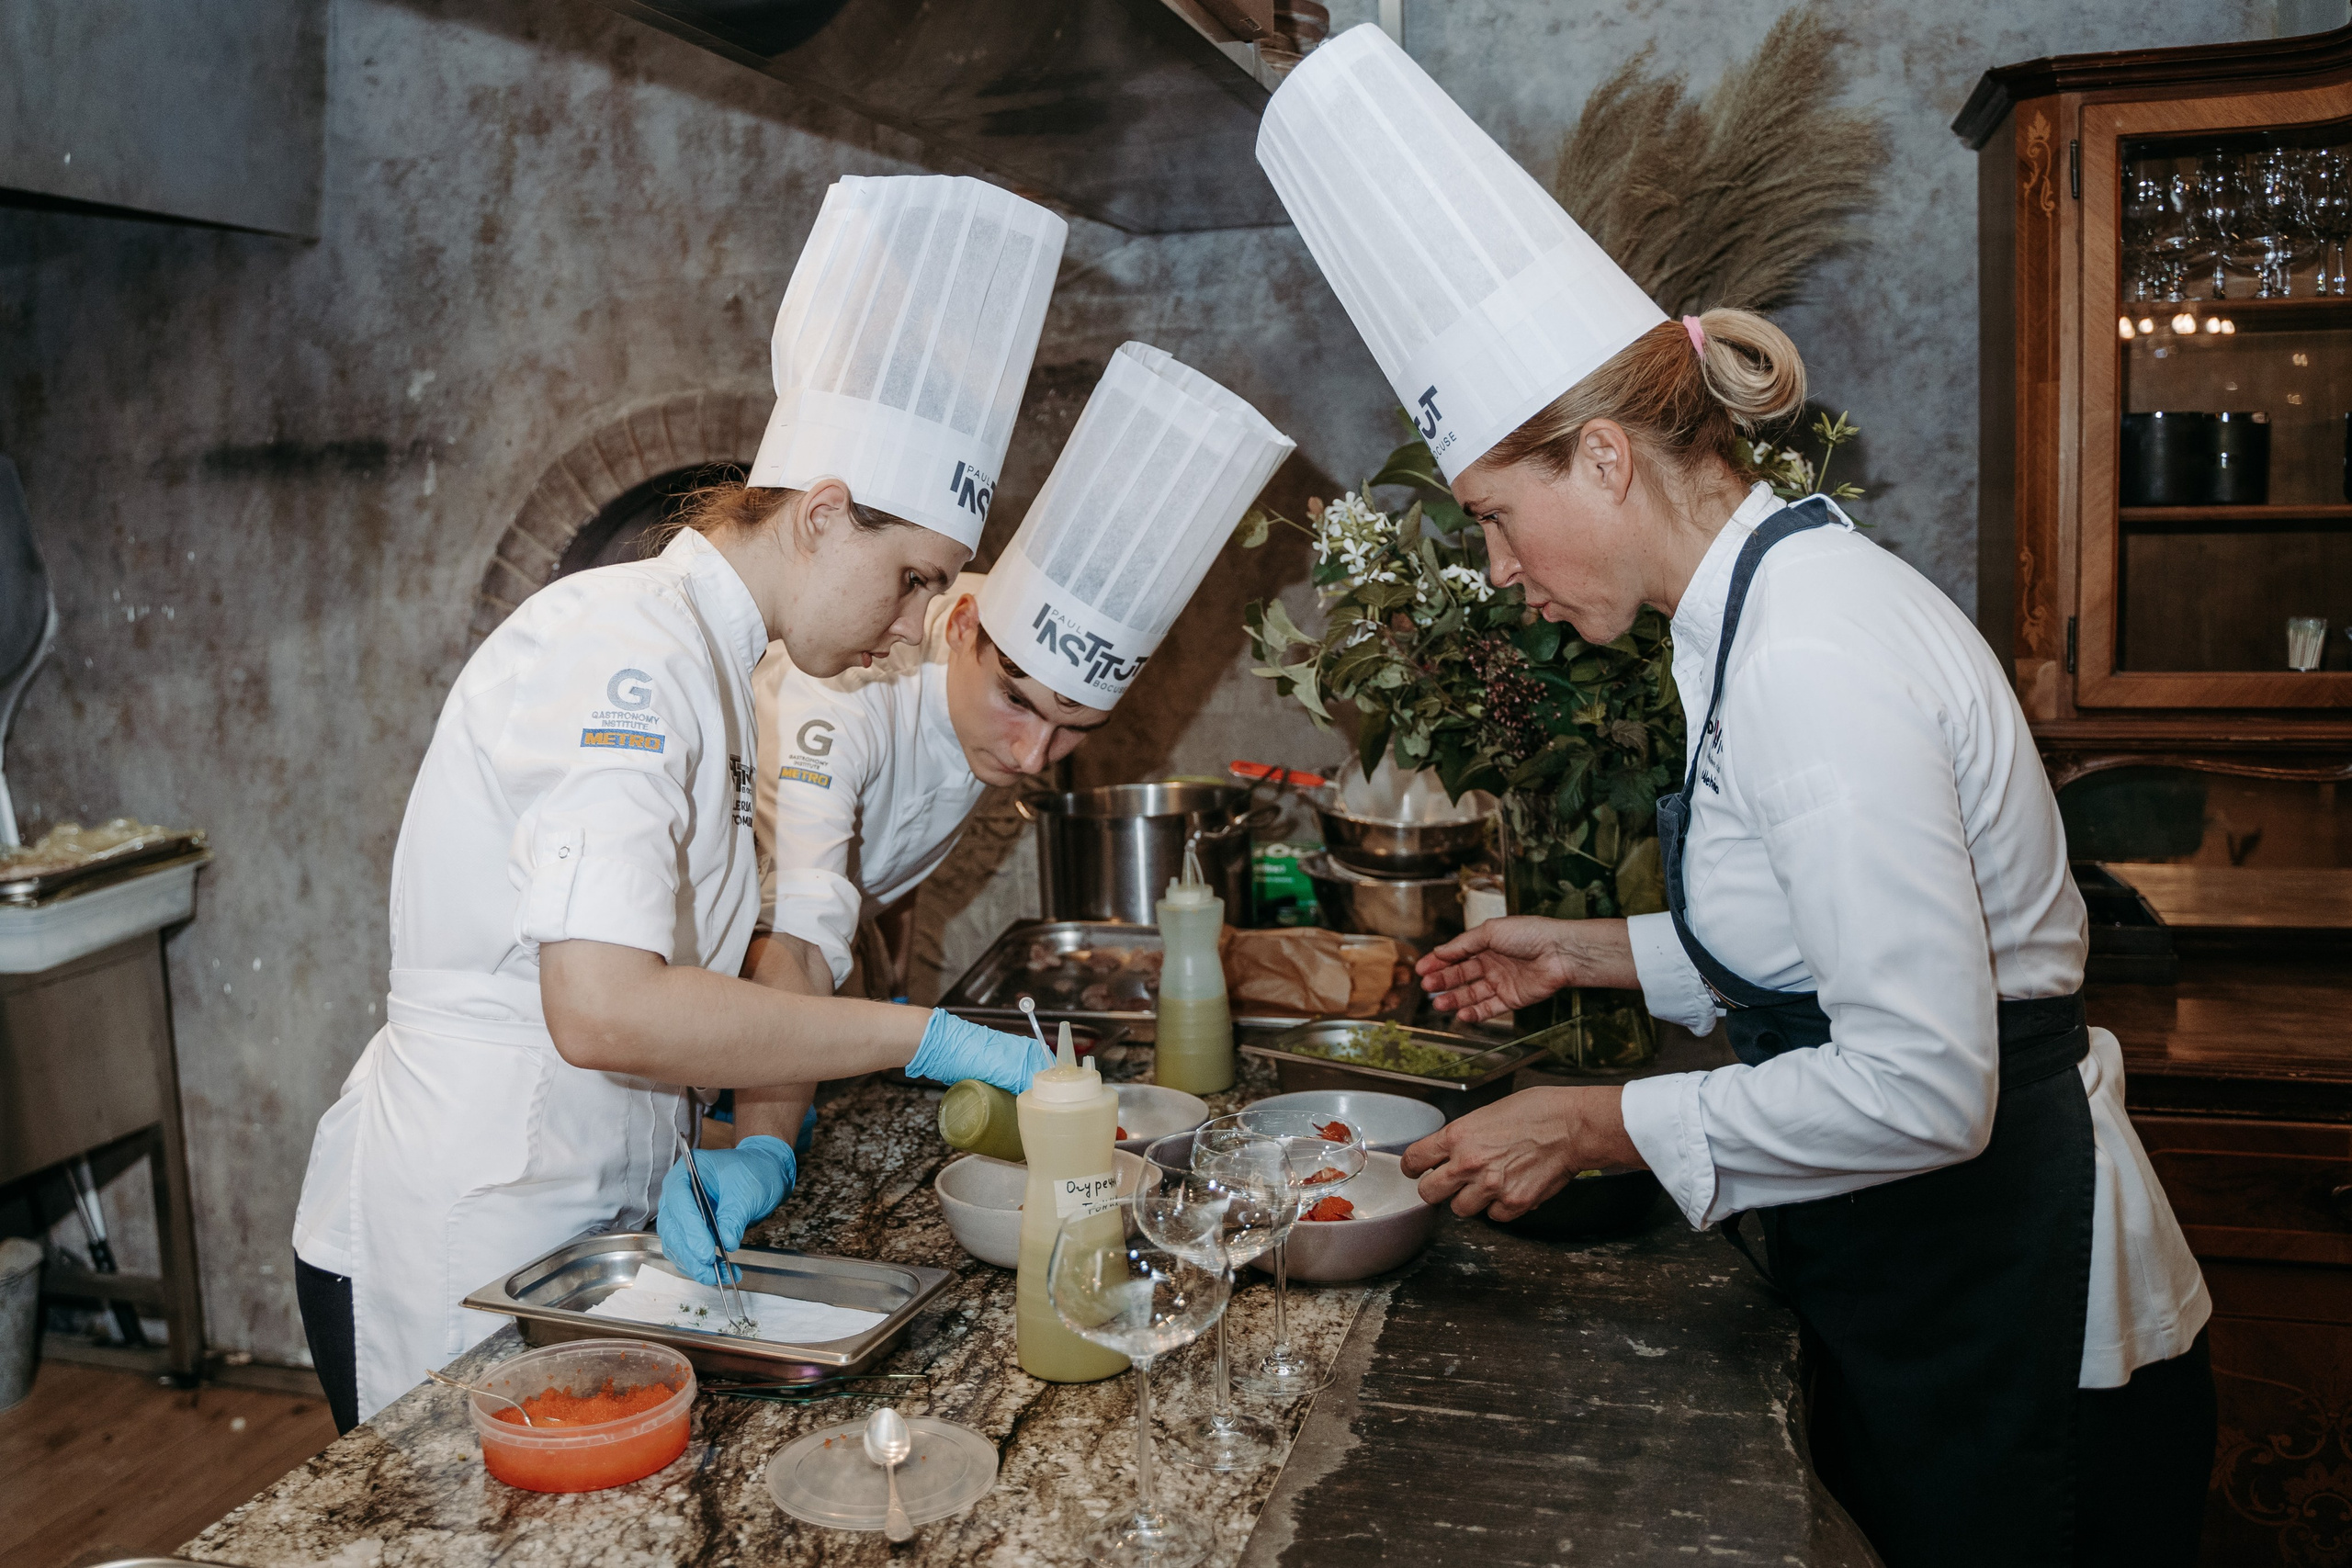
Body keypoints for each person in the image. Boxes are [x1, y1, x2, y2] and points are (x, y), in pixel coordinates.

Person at [1259, 28, 2212, 1568]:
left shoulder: (1812, 655)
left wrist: (1600, 1120)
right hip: (1930, 1269)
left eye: (1496, 516)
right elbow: (1831, 937)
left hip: (2007, 1308)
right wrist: (1596, 953)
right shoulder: (1761, 609)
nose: (1495, 569)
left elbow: (1924, 1080)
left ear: (1607, 460)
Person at [289, 174, 1067, 1431]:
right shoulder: (625, 649)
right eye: (914, 579)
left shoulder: (710, 659)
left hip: (578, 1210)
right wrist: (917, 1037)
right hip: (460, 1232)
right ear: (823, 516)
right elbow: (601, 1007)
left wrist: (734, 1147)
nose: (917, 626)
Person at [737, 340, 1296, 1135]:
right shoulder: (842, 689)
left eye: (1073, 732)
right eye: (1018, 703)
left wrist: (892, 988)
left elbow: (885, 862)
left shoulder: (988, 704)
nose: (1032, 755)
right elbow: (796, 938)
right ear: (961, 624)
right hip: (705, 1001)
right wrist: (766, 1150)